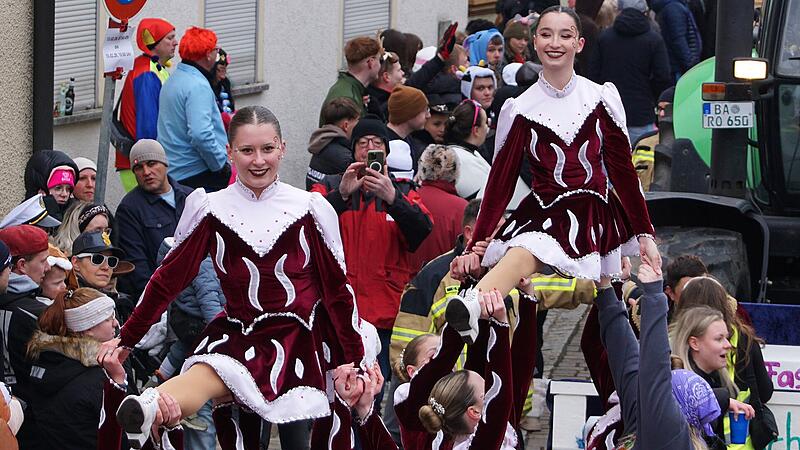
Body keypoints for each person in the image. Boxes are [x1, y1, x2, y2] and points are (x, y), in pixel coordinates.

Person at [104, 106, 366, 448]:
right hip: (240, 335)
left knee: (297, 435)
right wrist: (126, 338)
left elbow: (337, 290)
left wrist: (354, 358)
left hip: (300, 340)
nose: (258, 160)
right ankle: (149, 406)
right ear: (230, 153)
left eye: (267, 149)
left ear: (283, 148)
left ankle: (153, 407)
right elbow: (168, 278)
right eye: (247, 150)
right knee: (209, 378)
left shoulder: (309, 208)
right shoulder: (211, 208)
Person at [448, 6, 660, 345]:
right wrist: (476, 246)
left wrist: (644, 233)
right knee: (521, 251)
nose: (555, 43)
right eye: (546, 34)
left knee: (608, 313)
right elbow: (499, 184)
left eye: (565, 35)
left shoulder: (600, 97)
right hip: (545, 211)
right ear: (534, 41)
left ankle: (621, 388)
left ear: (579, 43)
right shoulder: (519, 108)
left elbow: (622, 172)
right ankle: (473, 305)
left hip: (594, 213)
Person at [311, 115, 433, 410]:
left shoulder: (403, 192)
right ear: (352, 152)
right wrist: (342, 195)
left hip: (383, 315)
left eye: (376, 144)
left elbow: (422, 231)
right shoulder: (331, 187)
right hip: (340, 313)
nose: (368, 149)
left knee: (372, 396)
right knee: (336, 394)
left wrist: (392, 197)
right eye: (362, 143)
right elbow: (309, 224)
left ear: (386, 154)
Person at [594, 259, 724, 449]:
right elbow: (641, 365)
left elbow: (642, 366)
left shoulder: (657, 429)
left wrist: (652, 293)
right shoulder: (659, 429)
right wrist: (611, 289)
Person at [394, 280, 538, 449]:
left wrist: (474, 289)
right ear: (476, 412)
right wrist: (499, 324)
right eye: (433, 354)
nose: (451, 364)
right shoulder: (414, 410)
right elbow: (500, 395)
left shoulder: (454, 417)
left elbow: (517, 372)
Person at [673, 277, 772, 449]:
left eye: (726, 338)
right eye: (719, 339)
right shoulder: (676, 371)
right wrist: (723, 400)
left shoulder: (671, 342)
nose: (728, 345)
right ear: (694, 342)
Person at [24, 288, 120, 449]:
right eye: (108, 318)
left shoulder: (44, 361)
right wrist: (119, 381)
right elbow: (125, 432)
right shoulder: (97, 379)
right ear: (87, 328)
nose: (116, 323)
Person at [116, 139, 193, 298]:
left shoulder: (191, 197)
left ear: (165, 164)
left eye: (151, 163)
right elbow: (137, 266)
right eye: (138, 167)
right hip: (164, 298)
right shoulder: (129, 209)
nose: (146, 172)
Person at [588, 0, 672, 145]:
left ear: (619, 11)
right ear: (645, 13)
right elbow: (663, 76)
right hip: (641, 111)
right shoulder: (654, 39)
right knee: (641, 162)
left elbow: (593, 74)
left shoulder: (604, 38)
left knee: (610, 163)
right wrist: (650, 94)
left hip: (609, 111)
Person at [158, 26, 231, 192]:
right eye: (215, 50)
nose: (217, 55)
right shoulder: (198, 86)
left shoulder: (173, 80)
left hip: (175, 172)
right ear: (207, 54)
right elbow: (201, 134)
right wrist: (220, 165)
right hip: (200, 175)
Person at [0, 225, 50, 450]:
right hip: (28, 424)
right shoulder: (34, 314)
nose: (48, 268)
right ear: (20, 265)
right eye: (43, 261)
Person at [117, 18, 177, 192]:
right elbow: (148, 127)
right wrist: (152, 165)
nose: (176, 42)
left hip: (142, 162)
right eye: (169, 38)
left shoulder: (152, 68)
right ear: (153, 42)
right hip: (143, 164)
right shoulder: (147, 74)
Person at [444, 100, 529, 208]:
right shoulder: (460, 158)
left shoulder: (466, 152)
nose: (487, 128)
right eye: (485, 123)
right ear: (476, 130)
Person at [410, 145, 468, 271]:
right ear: (455, 171)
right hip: (444, 283)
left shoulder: (406, 200)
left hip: (404, 284)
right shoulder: (461, 208)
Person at [69, 231, 136, 325]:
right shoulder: (69, 300)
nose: (106, 267)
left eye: (111, 261)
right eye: (97, 259)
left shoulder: (118, 301)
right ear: (75, 262)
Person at [318, 36, 382, 126]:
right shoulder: (348, 97)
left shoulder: (349, 89)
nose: (380, 65)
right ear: (371, 62)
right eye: (379, 60)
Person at [306, 97, 360, 190]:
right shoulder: (344, 157)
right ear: (346, 125)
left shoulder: (322, 143)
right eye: (357, 121)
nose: (359, 125)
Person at [651, 0, 702, 81]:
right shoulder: (674, 8)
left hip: (677, 65)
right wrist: (690, 64)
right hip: (680, 68)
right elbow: (678, 39)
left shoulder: (672, 6)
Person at [386, 85, 431, 178]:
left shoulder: (407, 138)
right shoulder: (383, 143)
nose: (428, 115)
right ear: (409, 113)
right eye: (424, 110)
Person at [366, 52, 405, 121]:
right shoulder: (387, 107)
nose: (403, 73)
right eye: (399, 70)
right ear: (386, 77)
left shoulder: (368, 96)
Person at [211, 48, 235, 115]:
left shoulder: (225, 84)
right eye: (220, 70)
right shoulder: (205, 87)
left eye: (225, 70)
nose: (223, 76)